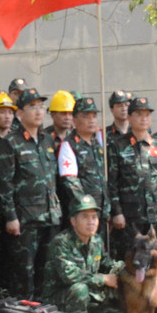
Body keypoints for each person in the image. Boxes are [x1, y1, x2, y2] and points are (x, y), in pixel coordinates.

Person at [0, 88, 61, 298]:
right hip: (25, 221)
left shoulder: (48, 140)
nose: (39, 111)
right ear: (20, 113)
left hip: (50, 217)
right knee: (24, 276)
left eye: (41, 106)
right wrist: (10, 217)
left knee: (46, 273)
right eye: (32, 106)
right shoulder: (10, 142)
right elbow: (4, 184)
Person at [42, 194, 129, 313]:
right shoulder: (61, 242)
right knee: (79, 289)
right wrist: (103, 279)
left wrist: (126, 269)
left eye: (94, 217)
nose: (91, 222)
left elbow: (107, 263)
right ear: (73, 221)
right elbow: (69, 275)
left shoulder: (96, 240)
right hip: (60, 303)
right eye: (85, 217)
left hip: (87, 302)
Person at [107, 96, 157, 268]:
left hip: (155, 216)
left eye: (147, 115)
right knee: (129, 261)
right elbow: (112, 183)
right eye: (138, 114)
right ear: (129, 117)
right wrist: (117, 212)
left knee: (154, 261)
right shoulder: (118, 145)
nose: (144, 119)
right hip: (129, 217)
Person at [57, 96, 108, 224]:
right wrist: (86, 206)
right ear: (74, 120)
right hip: (83, 211)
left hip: (102, 209)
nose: (91, 121)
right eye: (86, 116)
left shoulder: (97, 143)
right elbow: (70, 180)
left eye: (94, 116)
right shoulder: (69, 144)